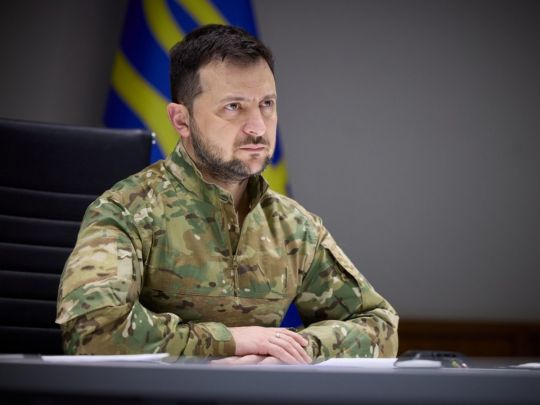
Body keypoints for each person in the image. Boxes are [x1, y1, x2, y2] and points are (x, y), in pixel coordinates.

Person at [56, 24, 398, 365]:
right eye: (234, 107)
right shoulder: (124, 211)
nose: (258, 127)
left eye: (267, 104)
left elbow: (380, 327)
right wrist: (230, 341)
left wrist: (289, 351)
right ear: (181, 120)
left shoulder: (293, 226)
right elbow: (93, 332)